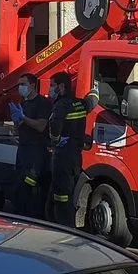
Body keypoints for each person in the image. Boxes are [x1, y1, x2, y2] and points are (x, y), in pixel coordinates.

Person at [47, 71, 98, 227]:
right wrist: (96, 89)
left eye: (52, 86)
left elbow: (55, 127)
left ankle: (63, 226)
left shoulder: (60, 106)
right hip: (76, 155)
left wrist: (55, 141)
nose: (50, 89)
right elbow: (93, 100)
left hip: (62, 156)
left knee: (61, 195)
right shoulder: (80, 104)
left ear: (61, 87)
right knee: (70, 191)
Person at [8, 73, 52, 218]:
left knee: (29, 187)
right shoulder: (23, 104)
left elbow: (41, 126)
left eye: (23, 84)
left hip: (36, 151)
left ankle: (33, 218)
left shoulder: (42, 103)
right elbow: (18, 130)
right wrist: (16, 122)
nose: (20, 87)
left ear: (32, 86)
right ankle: (19, 216)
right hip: (23, 150)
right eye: (19, 84)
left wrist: (23, 118)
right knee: (18, 190)